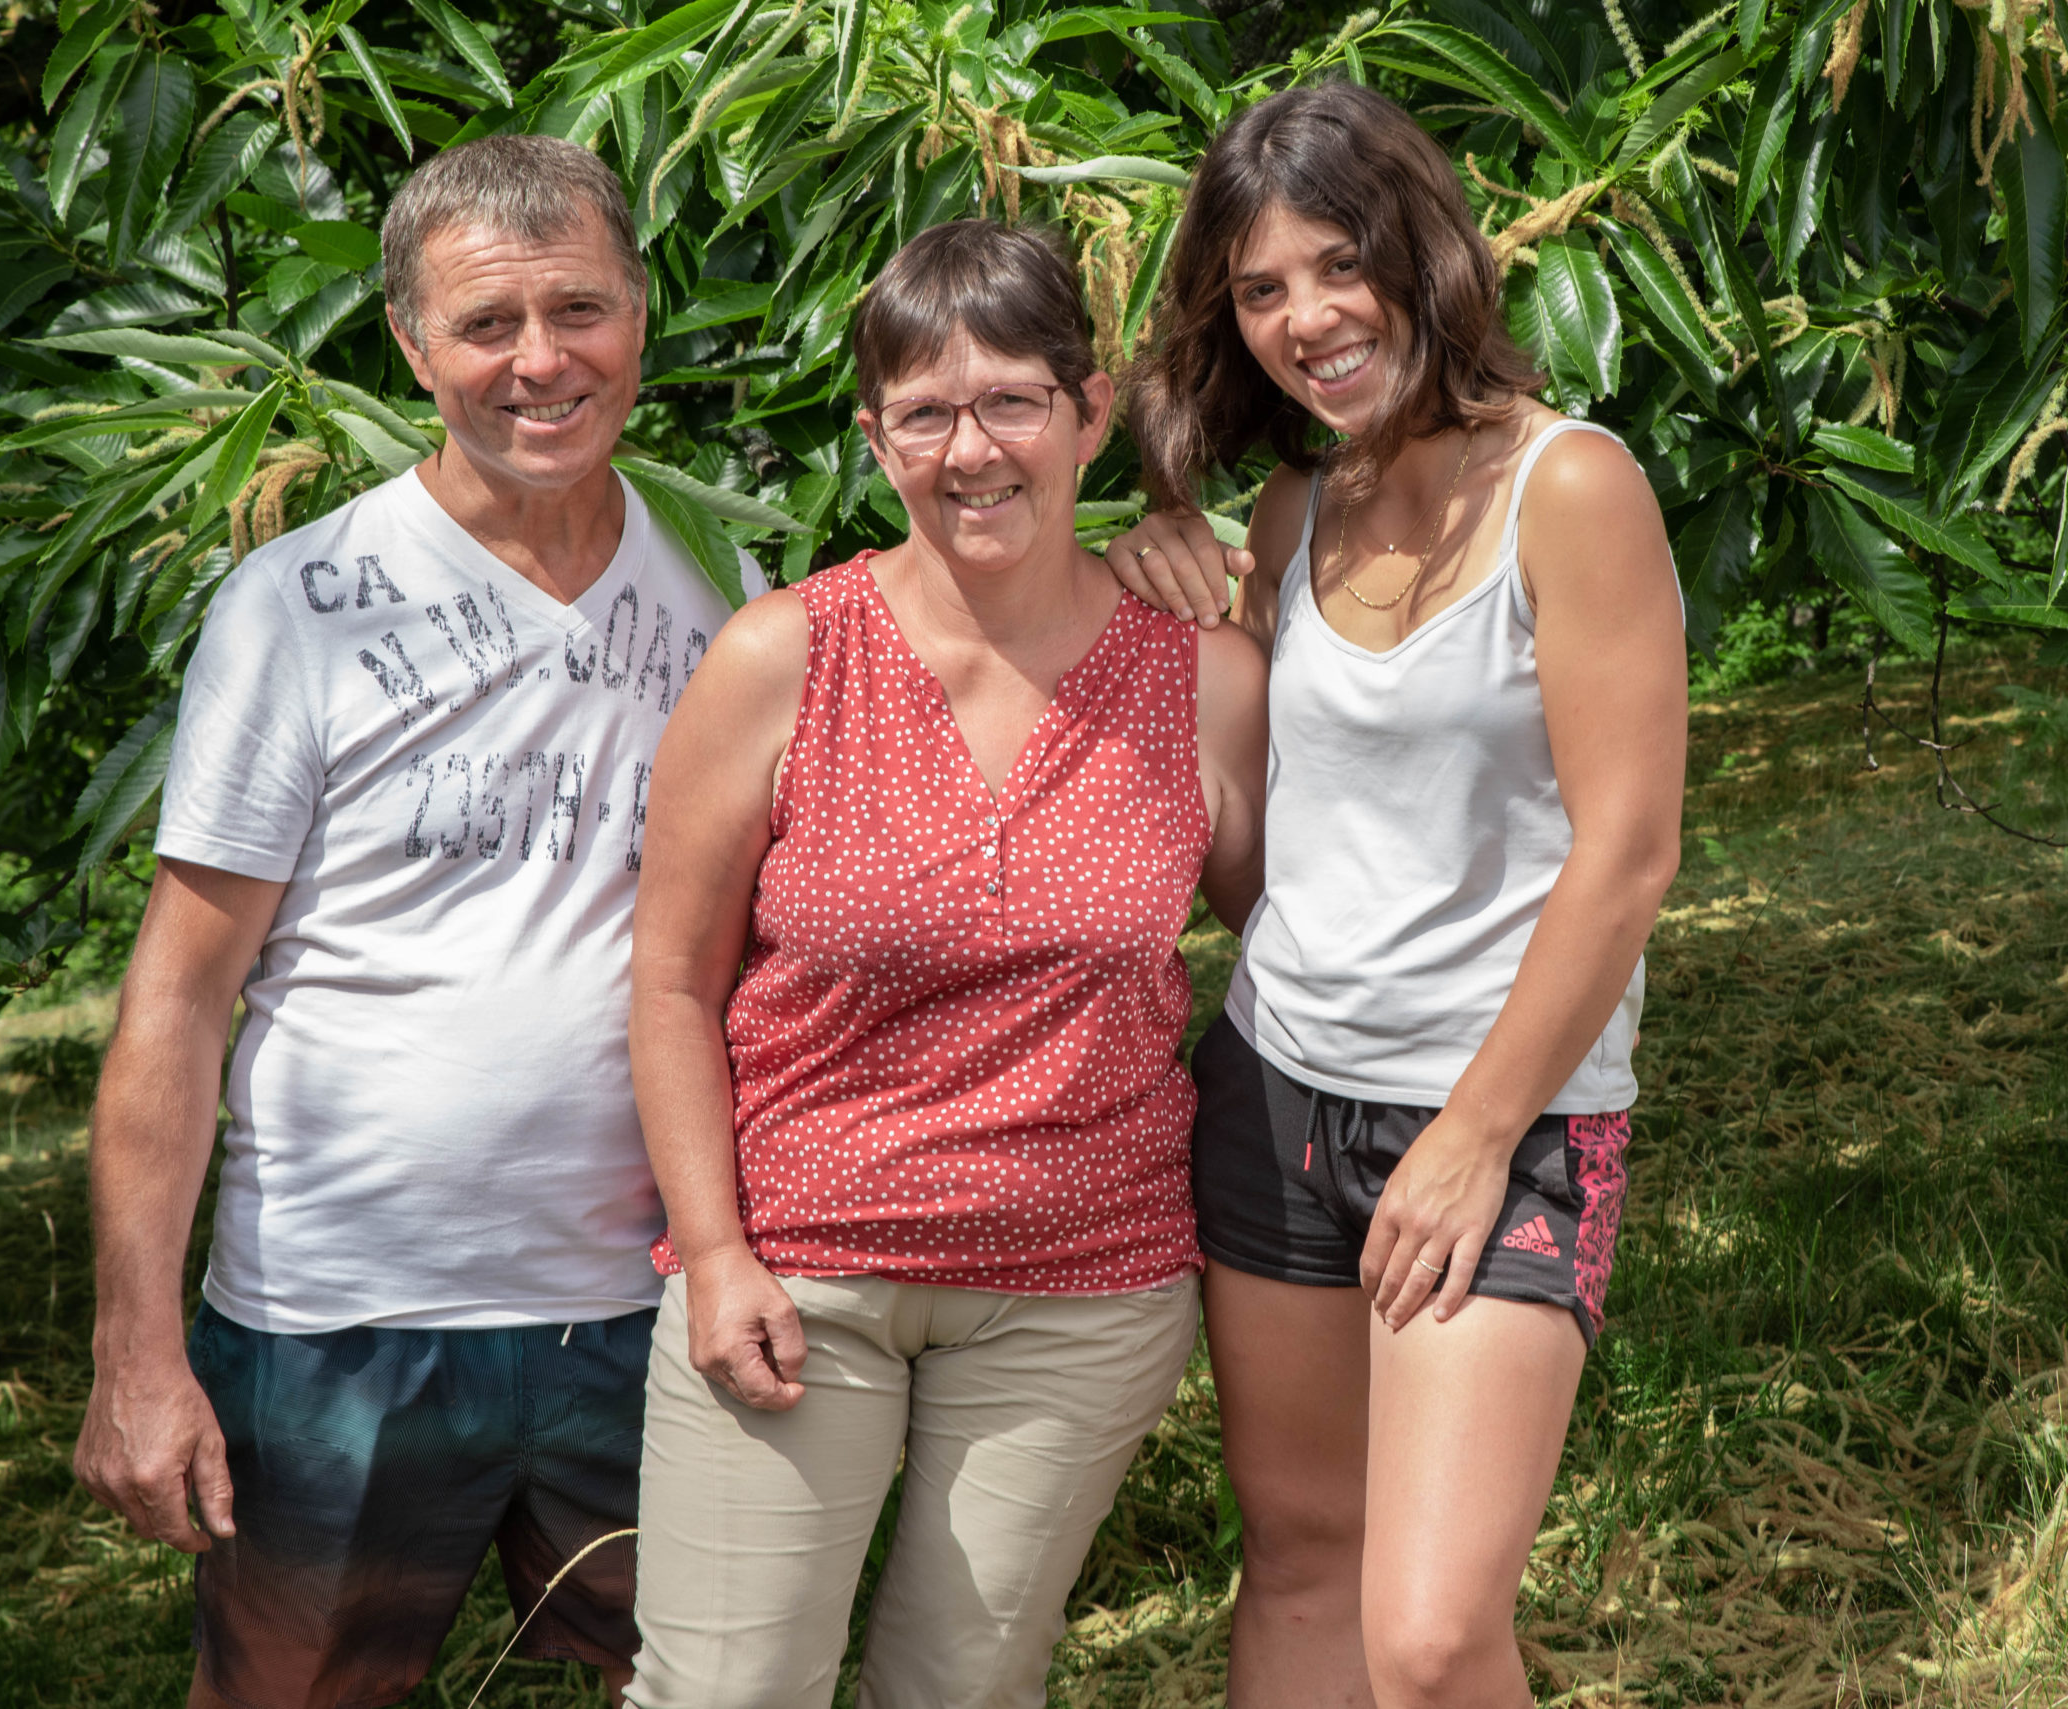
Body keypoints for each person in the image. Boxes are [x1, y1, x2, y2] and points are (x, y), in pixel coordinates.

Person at [71, 133, 763, 1709]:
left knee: (709, 1684)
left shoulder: (727, 592)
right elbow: (176, 1000)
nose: (541, 361)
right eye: (485, 325)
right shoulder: (300, 606)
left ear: (641, 319)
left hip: (645, 1301)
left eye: (579, 309)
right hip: (344, 1316)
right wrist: (134, 1347)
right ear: (410, 344)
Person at [620, 218, 1266, 1707]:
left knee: (964, 1688)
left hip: (1081, 1288)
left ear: (1091, 412)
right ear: (875, 435)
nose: (971, 450)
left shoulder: (1204, 679)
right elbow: (670, 982)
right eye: (924, 413)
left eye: (1012, 403)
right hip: (800, 1274)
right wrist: (714, 1255)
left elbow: (1296, 928)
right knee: (727, 1690)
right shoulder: (782, 656)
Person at [1105, 83, 1689, 1709]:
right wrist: (1181, 583)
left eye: (1337, 263)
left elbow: (1629, 847)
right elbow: (1284, 860)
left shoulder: (1570, 489)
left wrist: (1476, 1131)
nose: (1305, 317)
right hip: (1277, 1086)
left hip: (1501, 1115)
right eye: (1260, 287)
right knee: (1301, 1562)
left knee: (1431, 1638)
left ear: (1422, 252)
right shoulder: (1296, 514)